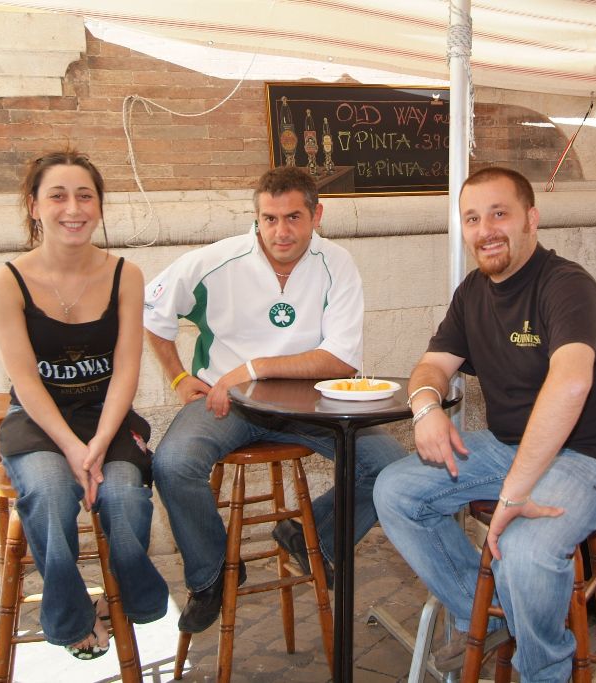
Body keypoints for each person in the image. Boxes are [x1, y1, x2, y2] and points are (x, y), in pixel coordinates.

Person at [374, 166, 596, 681]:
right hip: (512, 447)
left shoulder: (566, 284)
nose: (486, 230)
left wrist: (515, 494)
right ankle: (488, 612)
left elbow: (571, 384)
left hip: (595, 455)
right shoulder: (472, 293)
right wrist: (426, 408)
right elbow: (431, 366)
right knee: (395, 491)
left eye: (499, 214)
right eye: (472, 218)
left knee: (522, 549)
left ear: (531, 219)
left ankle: (545, 671)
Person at [144, 165, 404, 634]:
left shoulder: (337, 263)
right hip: (227, 402)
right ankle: (212, 574)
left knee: (392, 468)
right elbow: (150, 310)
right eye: (269, 219)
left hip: (310, 404)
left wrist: (256, 367)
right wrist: (180, 377)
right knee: (173, 464)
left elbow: (341, 360)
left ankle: (313, 536)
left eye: (293, 218)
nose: (280, 231)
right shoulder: (215, 261)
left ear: (316, 216)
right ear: (257, 217)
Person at [0, 150, 168, 660]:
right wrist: (73, 449)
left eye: (85, 196)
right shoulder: (8, 280)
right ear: (34, 207)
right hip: (39, 418)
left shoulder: (125, 274)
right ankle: (71, 616)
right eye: (58, 196)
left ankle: (131, 598)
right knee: (49, 493)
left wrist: (100, 444)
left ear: (99, 206)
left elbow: (127, 369)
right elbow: (25, 380)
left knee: (126, 498)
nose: (73, 208)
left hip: (105, 415)